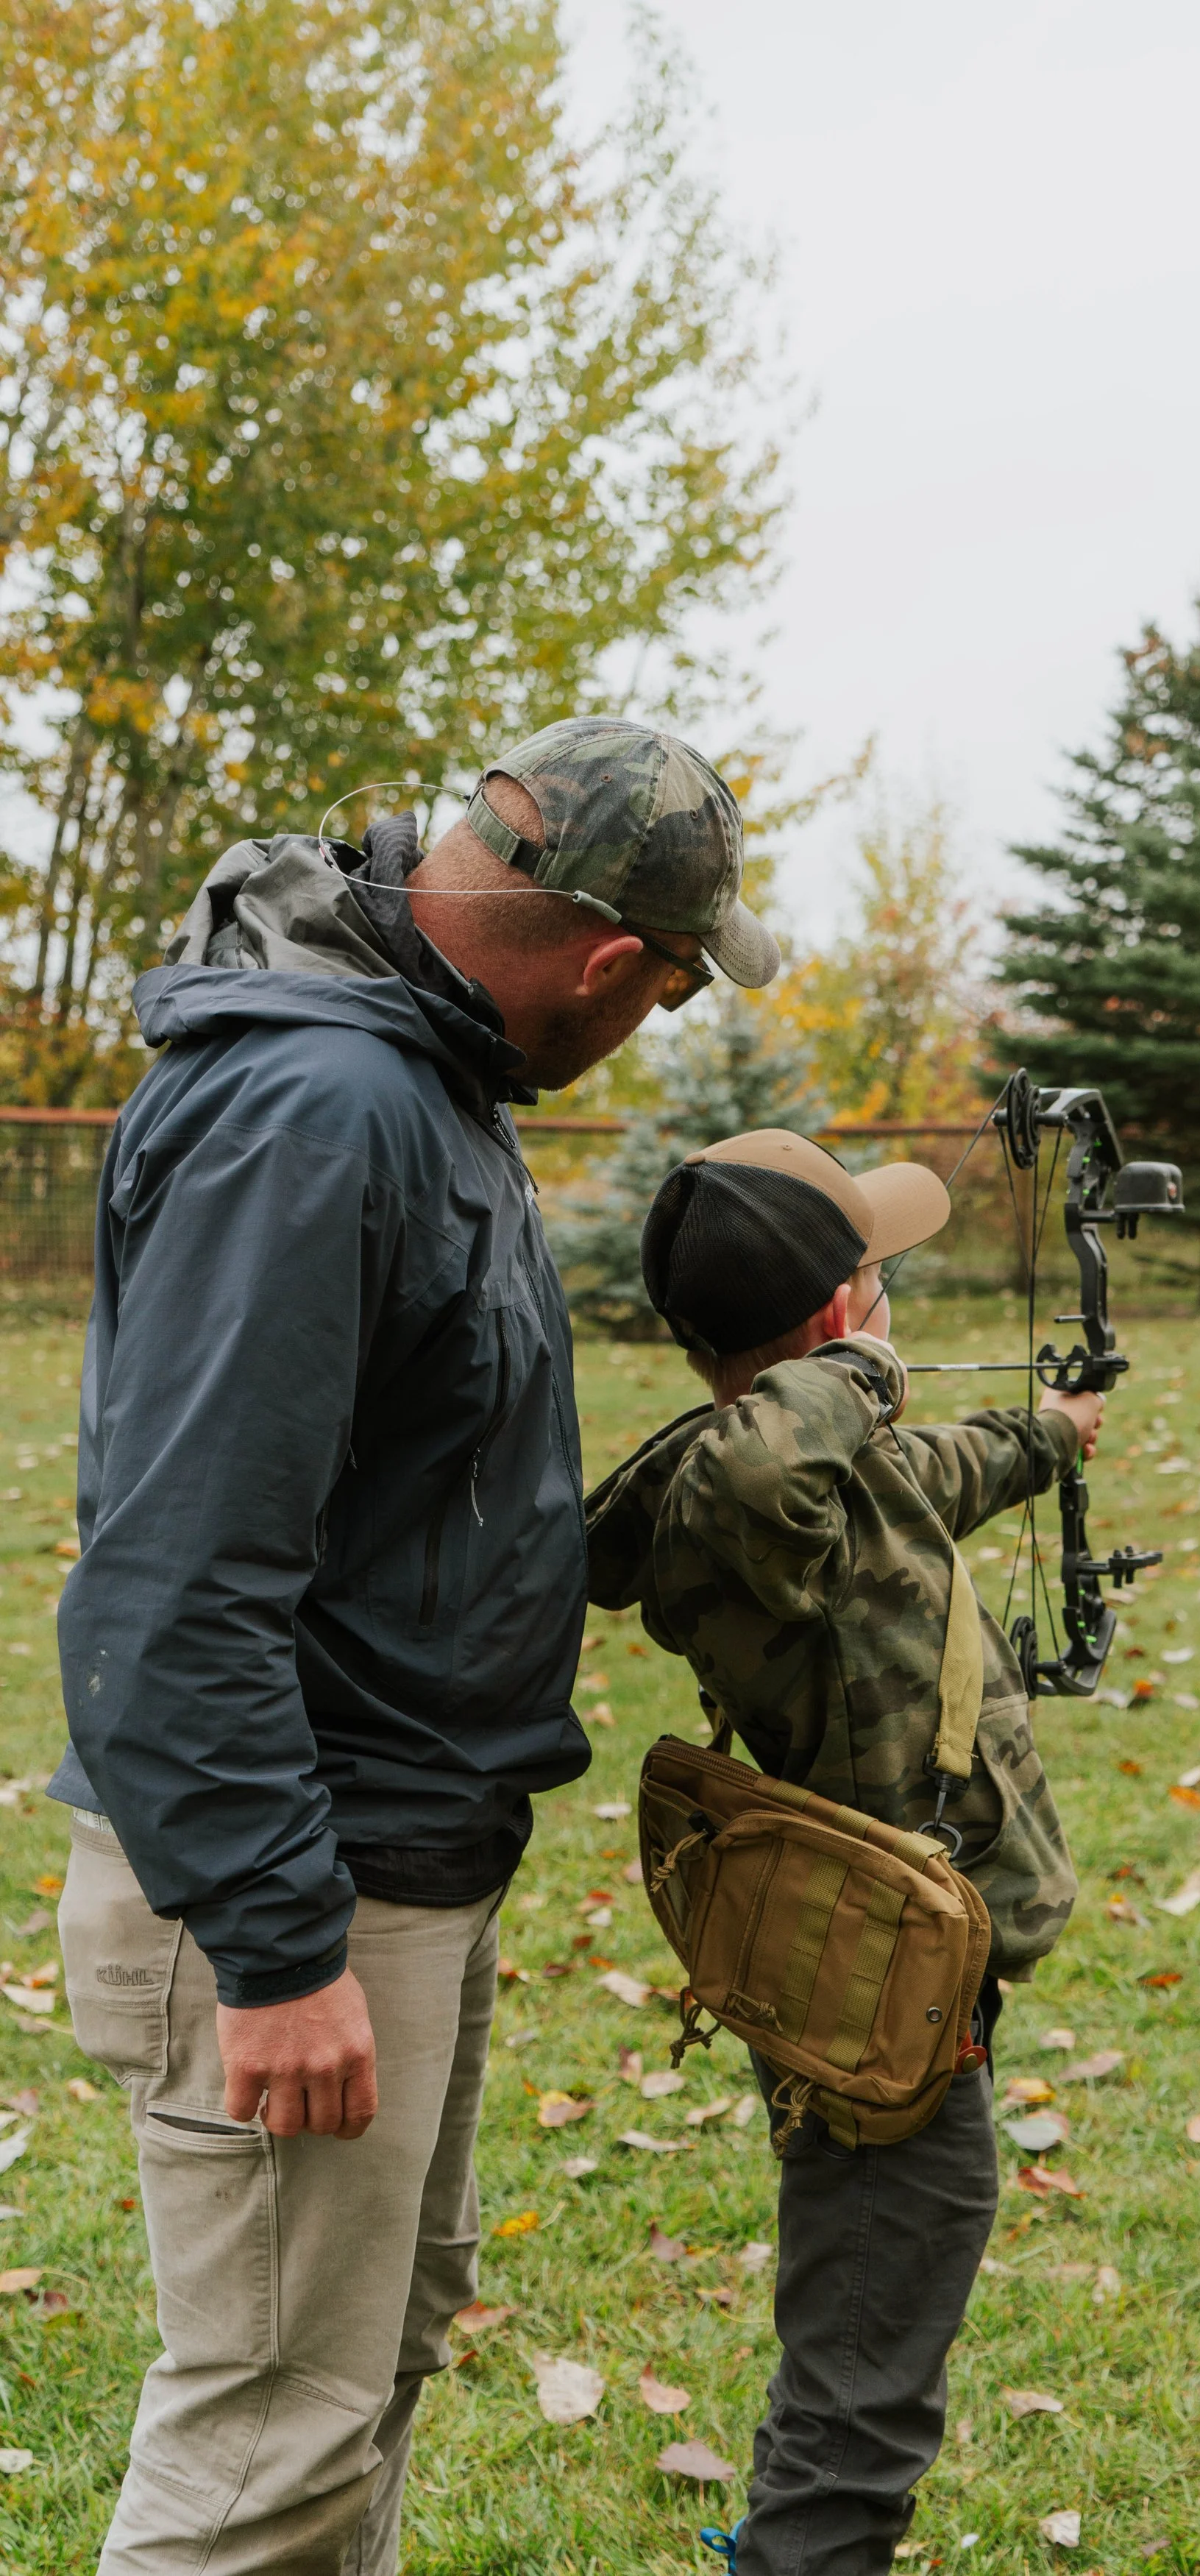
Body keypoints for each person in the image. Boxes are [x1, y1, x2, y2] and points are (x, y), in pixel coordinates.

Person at [54, 718, 778, 2575]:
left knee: (356, 2373)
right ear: (613, 964)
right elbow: (179, 1573)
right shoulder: (322, 1107)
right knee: (265, 2442)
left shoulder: (414, 1069)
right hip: (298, 1881)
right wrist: (281, 1949)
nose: (655, 1020)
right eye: (676, 991)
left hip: (394, 1856)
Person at [584, 1128, 1102, 2576]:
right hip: (876, 1977)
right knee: (867, 2339)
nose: (890, 1310)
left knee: (872, 2289)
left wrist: (1046, 1432)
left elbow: (920, 1475)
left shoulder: (828, 1482)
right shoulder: (742, 1495)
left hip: (895, 1958)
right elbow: (770, 1467)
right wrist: (861, 1363)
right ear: (832, 1320)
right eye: (873, 1281)